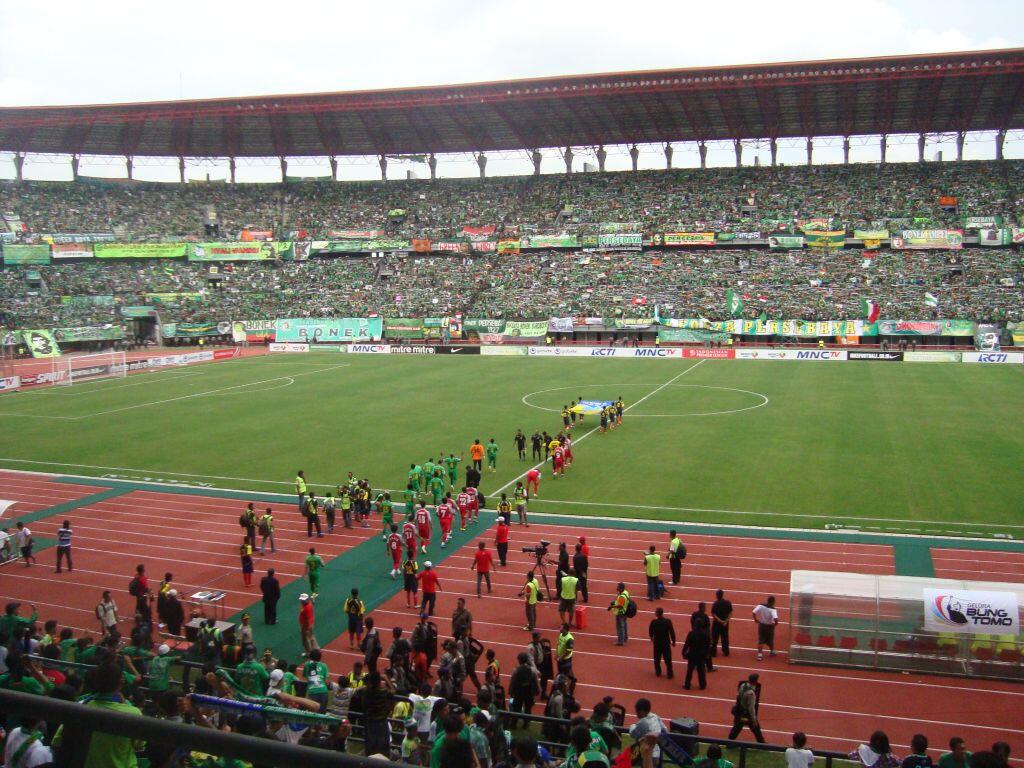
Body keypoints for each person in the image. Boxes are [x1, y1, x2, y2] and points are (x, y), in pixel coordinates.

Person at [728, 674, 765, 743]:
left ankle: (729, 742)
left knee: (737, 727)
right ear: (755, 681)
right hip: (746, 714)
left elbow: (738, 696)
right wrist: (754, 720)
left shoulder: (743, 685)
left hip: (740, 711)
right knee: (756, 728)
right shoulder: (751, 694)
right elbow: (751, 708)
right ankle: (761, 743)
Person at [508, 652, 541, 728]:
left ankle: (514, 723)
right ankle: (526, 724)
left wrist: (511, 691)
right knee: (528, 708)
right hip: (528, 691)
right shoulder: (532, 670)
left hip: (518, 691)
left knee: (516, 708)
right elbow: (535, 681)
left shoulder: (516, 670)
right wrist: (537, 691)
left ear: (519, 660)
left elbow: (513, 681)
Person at [629, 699, 664, 764]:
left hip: (648, 753)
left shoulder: (643, 722)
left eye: (638, 712)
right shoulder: (655, 716)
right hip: (657, 754)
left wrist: (632, 725)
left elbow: (633, 734)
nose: (637, 714)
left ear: (643, 711)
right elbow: (664, 729)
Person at [682, 622, 711, 691]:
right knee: (701, 671)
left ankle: (687, 685)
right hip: (701, 655)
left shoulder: (691, 633)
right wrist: (707, 654)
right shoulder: (705, 634)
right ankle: (702, 685)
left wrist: (683, 653)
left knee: (690, 671)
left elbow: (687, 644)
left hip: (692, 654)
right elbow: (708, 645)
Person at [649, 607, 676, 678]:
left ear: (657, 614)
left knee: (657, 659)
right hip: (666, 643)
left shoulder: (654, 622)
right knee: (668, 659)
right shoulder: (668, 621)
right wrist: (673, 641)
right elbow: (672, 632)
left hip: (657, 643)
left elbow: (650, 631)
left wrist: (651, 637)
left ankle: (658, 672)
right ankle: (670, 673)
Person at [753, 596, 779, 660]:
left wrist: (755, 619)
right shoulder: (773, 609)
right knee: (770, 639)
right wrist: (775, 624)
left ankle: (759, 655)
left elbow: (753, 612)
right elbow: (775, 618)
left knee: (761, 639)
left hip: (761, 625)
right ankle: (772, 651)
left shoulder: (761, 605)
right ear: (773, 602)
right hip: (770, 626)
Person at [711, 589, 733, 658]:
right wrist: (726, 621)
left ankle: (713, 653)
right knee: (725, 637)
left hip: (717, 624)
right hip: (725, 624)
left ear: (717, 596)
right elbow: (731, 612)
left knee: (715, 638)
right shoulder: (728, 603)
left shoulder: (715, 603)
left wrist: (720, 621)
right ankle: (726, 651)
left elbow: (713, 614)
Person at [556, 622, 576, 692]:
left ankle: (570, 689)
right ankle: (561, 686)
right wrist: (557, 655)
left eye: (561, 627)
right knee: (561, 673)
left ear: (565, 629)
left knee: (568, 675)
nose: (559, 628)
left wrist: (561, 657)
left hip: (566, 660)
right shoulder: (561, 634)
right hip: (560, 659)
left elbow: (569, 651)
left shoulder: (569, 639)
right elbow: (558, 645)